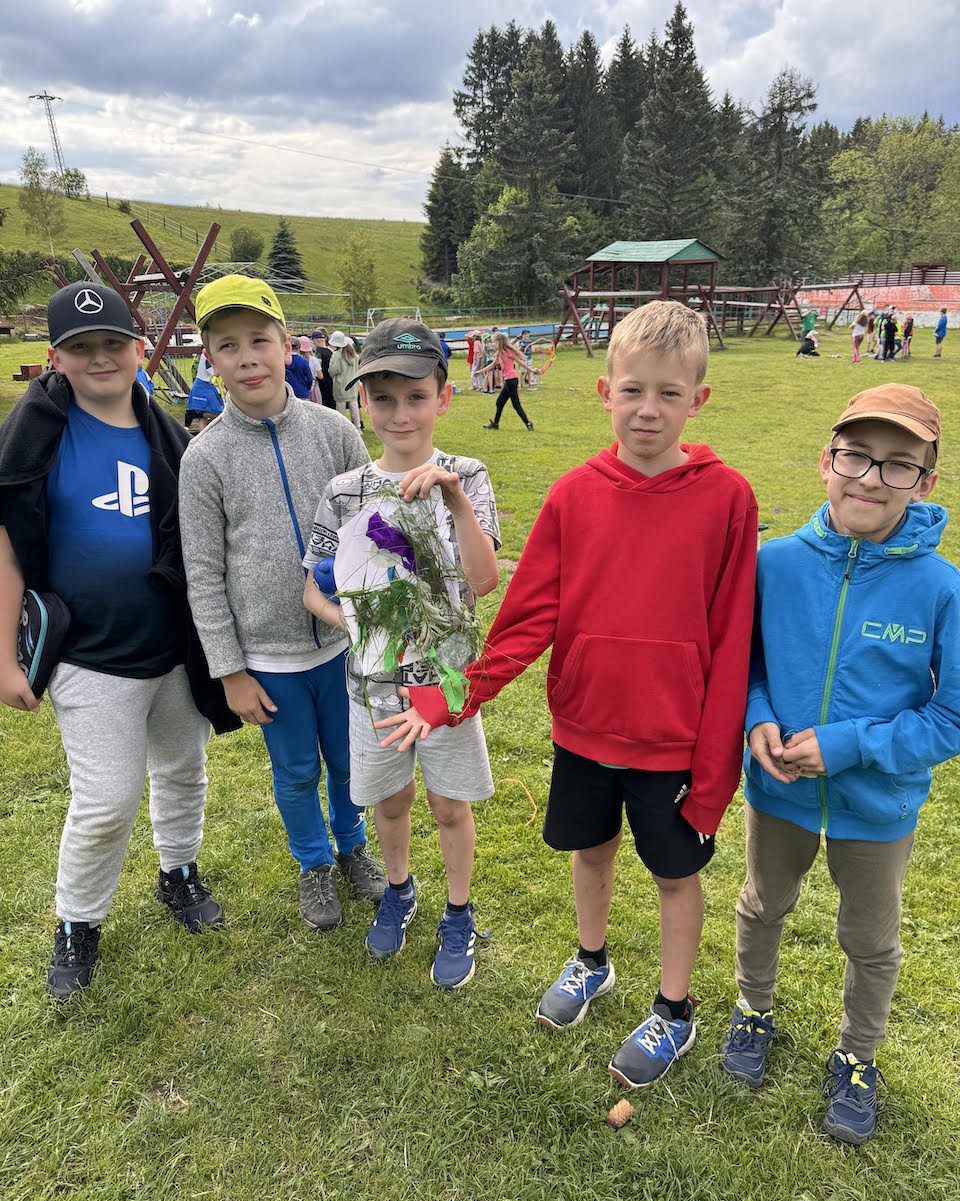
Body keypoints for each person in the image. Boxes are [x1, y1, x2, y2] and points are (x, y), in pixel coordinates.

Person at [378, 301, 758, 1087]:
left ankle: (674, 1009)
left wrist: (715, 773)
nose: (648, 409)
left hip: (674, 742)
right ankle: (591, 961)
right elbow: (523, 623)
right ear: (604, 392)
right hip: (585, 730)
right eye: (633, 390)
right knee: (591, 851)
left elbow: (732, 643)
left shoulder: (728, 499)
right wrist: (445, 698)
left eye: (669, 393)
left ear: (697, 400)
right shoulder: (573, 495)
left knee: (675, 875)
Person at [721, 383, 957, 1146]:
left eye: (897, 465)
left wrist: (850, 744)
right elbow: (746, 663)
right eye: (856, 456)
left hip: (878, 807)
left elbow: (949, 718)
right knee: (763, 905)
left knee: (871, 939)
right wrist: (758, 716)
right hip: (779, 791)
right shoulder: (776, 564)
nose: (870, 479)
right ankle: (753, 1010)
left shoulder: (941, 588)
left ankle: (857, 1057)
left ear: (925, 481)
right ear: (827, 460)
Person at [0, 281, 238, 1000]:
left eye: (113, 342)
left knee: (182, 769)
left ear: (139, 350)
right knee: (105, 799)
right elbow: (9, 550)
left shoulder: (171, 437)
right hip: (89, 653)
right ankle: (78, 922)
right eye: (81, 347)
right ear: (56, 357)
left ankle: (178, 872)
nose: (100, 357)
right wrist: (4, 658)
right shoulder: (36, 435)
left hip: (173, 645)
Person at [178, 276, 387, 931]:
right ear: (210, 360)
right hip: (269, 657)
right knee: (296, 771)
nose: (247, 358)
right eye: (227, 346)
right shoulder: (204, 458)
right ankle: (314, 863)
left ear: (285, 343)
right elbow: (203, 574)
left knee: (349, 761)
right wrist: (230, 670)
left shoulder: (334, 432)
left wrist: (382, 623)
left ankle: (352, 845)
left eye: (259, 341)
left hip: (343, 642)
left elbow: (373, 533)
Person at [301, 318, 500, 989]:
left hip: (445, 684)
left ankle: (458, 911)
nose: (401, 413)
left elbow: (482, 581)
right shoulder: (344, 492)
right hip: (373, 688)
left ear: (443, 397)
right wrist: (353, 623)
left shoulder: (468, 476)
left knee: (448, 805)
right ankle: (398, 889)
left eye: (416, 396)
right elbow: (312, 589)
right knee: (389, 802)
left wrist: (453, 499)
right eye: (383, 399)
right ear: (363, 402)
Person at [480, 332, 535, 431]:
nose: (492, 344)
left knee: (516, 405)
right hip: (509, 380)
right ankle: (495, 424)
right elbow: (493, 364)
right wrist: (480, 371)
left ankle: (528, 423)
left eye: (494, 342)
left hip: (511, 380)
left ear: (498, 342)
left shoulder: (507, 352)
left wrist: (532, 371)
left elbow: (520, 363)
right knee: (499, 402)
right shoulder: (499, 353)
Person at [328, 331, 362, 431]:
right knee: (354, 406)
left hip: (341, 385)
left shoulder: (337, 355)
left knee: (340, 409)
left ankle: (341, 428)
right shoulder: (354, 355)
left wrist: (331, 374)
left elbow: (333, 370)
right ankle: (357, 428)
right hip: (353, 385)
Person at [310, 330, 336, 408]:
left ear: (316, 340)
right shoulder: (330, 351)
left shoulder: (318, 352)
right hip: (331, 381)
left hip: (322, 383)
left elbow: (317, 369)